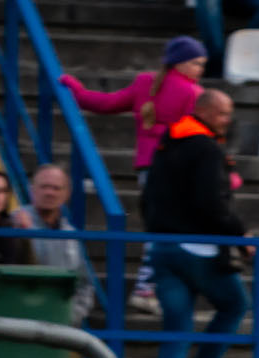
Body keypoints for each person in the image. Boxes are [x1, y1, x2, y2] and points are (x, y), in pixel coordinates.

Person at [62, 36, 208, 313]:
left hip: (147, 168)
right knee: (167, 230)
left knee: (164, 227)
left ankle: (154, 286)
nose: (200, 69)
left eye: (202, 64)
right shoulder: (194, 94)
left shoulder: (145, 83)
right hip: (175, 171)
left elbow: (106, 103)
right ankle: (146, 288)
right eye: (195, 63)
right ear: (179, 62)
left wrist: (76, 90)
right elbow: (200, 139)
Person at [141, 88, 249, 358]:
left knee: (177, 330)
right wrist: (240, 235)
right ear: (204, 111)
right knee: (235, 303)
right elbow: (211, 204)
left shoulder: (168, 142)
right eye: (222, 114)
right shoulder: (206, 148)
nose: (227, 120)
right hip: (196, 248)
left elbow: (147, 197)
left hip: (162, 247)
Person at [25, 165, 99, 325]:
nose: (50, 193)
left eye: (57, 188)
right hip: (21, 322)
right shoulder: (14, 226)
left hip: (60, 325)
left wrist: (71, 316)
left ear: (67, 194)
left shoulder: (71, 235)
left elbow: (85, 283)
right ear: (32, 190)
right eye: (44, 187)